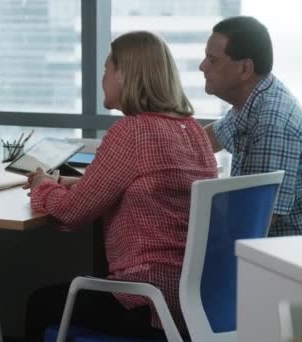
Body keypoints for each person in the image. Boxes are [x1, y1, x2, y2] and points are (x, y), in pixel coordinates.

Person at [22, 31, 218, 341]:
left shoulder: (133, 131)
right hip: (192, 301)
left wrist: (44, 185)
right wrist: (72, 183)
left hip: (145, 300)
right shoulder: (191, 130)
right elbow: (149, 186)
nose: (102, 79)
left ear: (125, 75)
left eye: (106, 69)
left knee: (39, 303)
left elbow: (72, 213)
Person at [199, 16, 302, 236]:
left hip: (285, 255)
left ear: (245, 69)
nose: (202, 67)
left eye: (212, 60)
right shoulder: (254, 99)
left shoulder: (272, 120)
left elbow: (254, 222)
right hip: (268, 246)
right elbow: (208, 139)